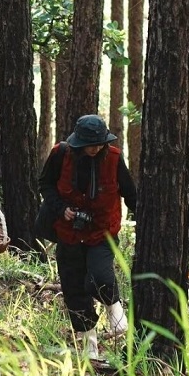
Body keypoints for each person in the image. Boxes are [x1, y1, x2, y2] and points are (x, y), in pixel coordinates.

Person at [38, 114, 137, 358]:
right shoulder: (61, 154)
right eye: (89, 144)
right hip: (68, 233)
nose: (94, 149)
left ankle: (115, 310)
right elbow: (46, 185)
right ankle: (89, 346)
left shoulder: (113, 158)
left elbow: (130, 192)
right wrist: (62, 209)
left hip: (102, 231)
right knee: (74, 290)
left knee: (100, 275)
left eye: (99, 143)